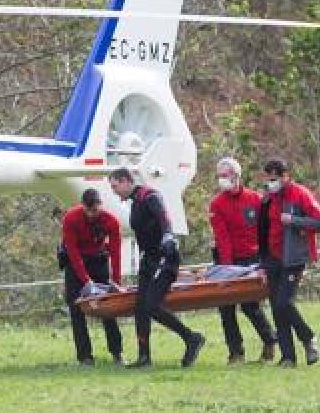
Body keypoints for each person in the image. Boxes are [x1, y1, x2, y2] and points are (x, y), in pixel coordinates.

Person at [107, 167, 206, 369]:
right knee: (140, 307)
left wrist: (169, 236)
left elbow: (164, 217)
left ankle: (191, 338)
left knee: (152, 305)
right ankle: (144, 357)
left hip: (164, 258)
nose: (114, 191)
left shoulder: (149, 195)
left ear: (126, 181)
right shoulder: (133, 203)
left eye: (115, 186)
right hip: (149, 260)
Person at [256, 158, 320, 367]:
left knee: (283, 303)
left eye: (275, 178)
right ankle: (288, 357)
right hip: (272, 258)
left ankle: (308, 338)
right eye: (269, 179)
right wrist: (262, 261)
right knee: (277, 308)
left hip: (293, 258)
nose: (272, 182)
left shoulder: (301, 194)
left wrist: (295, 220)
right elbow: (262, 230)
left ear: (286, 176)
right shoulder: (267, 199)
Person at [208, 156, 278, 365]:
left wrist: (265, 258)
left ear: (237, 175)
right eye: (219, 176)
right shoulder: (217, 204)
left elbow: (265, 231)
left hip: (253, 258)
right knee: (226, 307)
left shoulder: (255, 199)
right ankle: (235, 352)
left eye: (225, 175)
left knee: (250, 305)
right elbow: (222, 238)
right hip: (227, 259)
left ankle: (269, 340)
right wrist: (228, 269)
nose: (222, 180)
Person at [60, 188, 125, 366]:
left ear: (100, 206)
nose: (91, 215)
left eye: (95, 210)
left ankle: (117, 352)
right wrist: (86, 281)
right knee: (76, 309)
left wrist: (116, 281)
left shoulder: (110, 220)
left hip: (98, 261)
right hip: (76, 264)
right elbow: (72, 252)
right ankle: (85, 357)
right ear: (83, 207)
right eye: (88, 211)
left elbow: (115, 251)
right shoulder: (71, 218)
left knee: (107, 307)